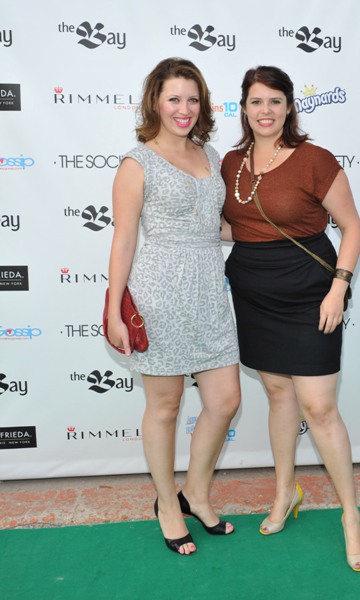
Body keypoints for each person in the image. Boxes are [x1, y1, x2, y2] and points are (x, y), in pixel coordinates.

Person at [221, 65, 360, 571]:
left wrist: (338, 289)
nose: (265, 111)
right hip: (254, 295)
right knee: (279, 394)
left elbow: (352, 228)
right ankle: (285, 492)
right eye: (256, 101)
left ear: (288, 107)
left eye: (275, 101)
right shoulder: (231, 162)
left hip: (311, 294)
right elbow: (237, 226)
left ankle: (351, 516)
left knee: (320, 407)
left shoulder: (314, 160)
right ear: (244, 107)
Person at [107, 57, 241, 556]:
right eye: (173, 99)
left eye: (192, 99)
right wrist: (115, 311)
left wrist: (277, 229)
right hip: (159, 292)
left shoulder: (210, 153)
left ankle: (196, 494)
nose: (184, 108)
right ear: (155, 103)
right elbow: (124, 240)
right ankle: (167, 503)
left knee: (225, 401)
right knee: (164, 408)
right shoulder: (136, 163)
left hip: (209, 290)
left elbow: (216, 225)